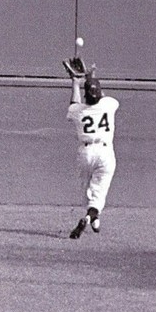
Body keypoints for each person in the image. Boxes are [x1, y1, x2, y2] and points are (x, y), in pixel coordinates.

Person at [64, 65, 119, 239]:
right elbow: (100, 95)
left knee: (87, 191)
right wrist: (91, 76)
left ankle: (94, 218)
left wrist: (75, 82)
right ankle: (90, 217)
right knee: (99, 193)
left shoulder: (77, 111)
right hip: (105, 153)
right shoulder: (110, 104)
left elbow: (74, 103)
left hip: (86, 153)